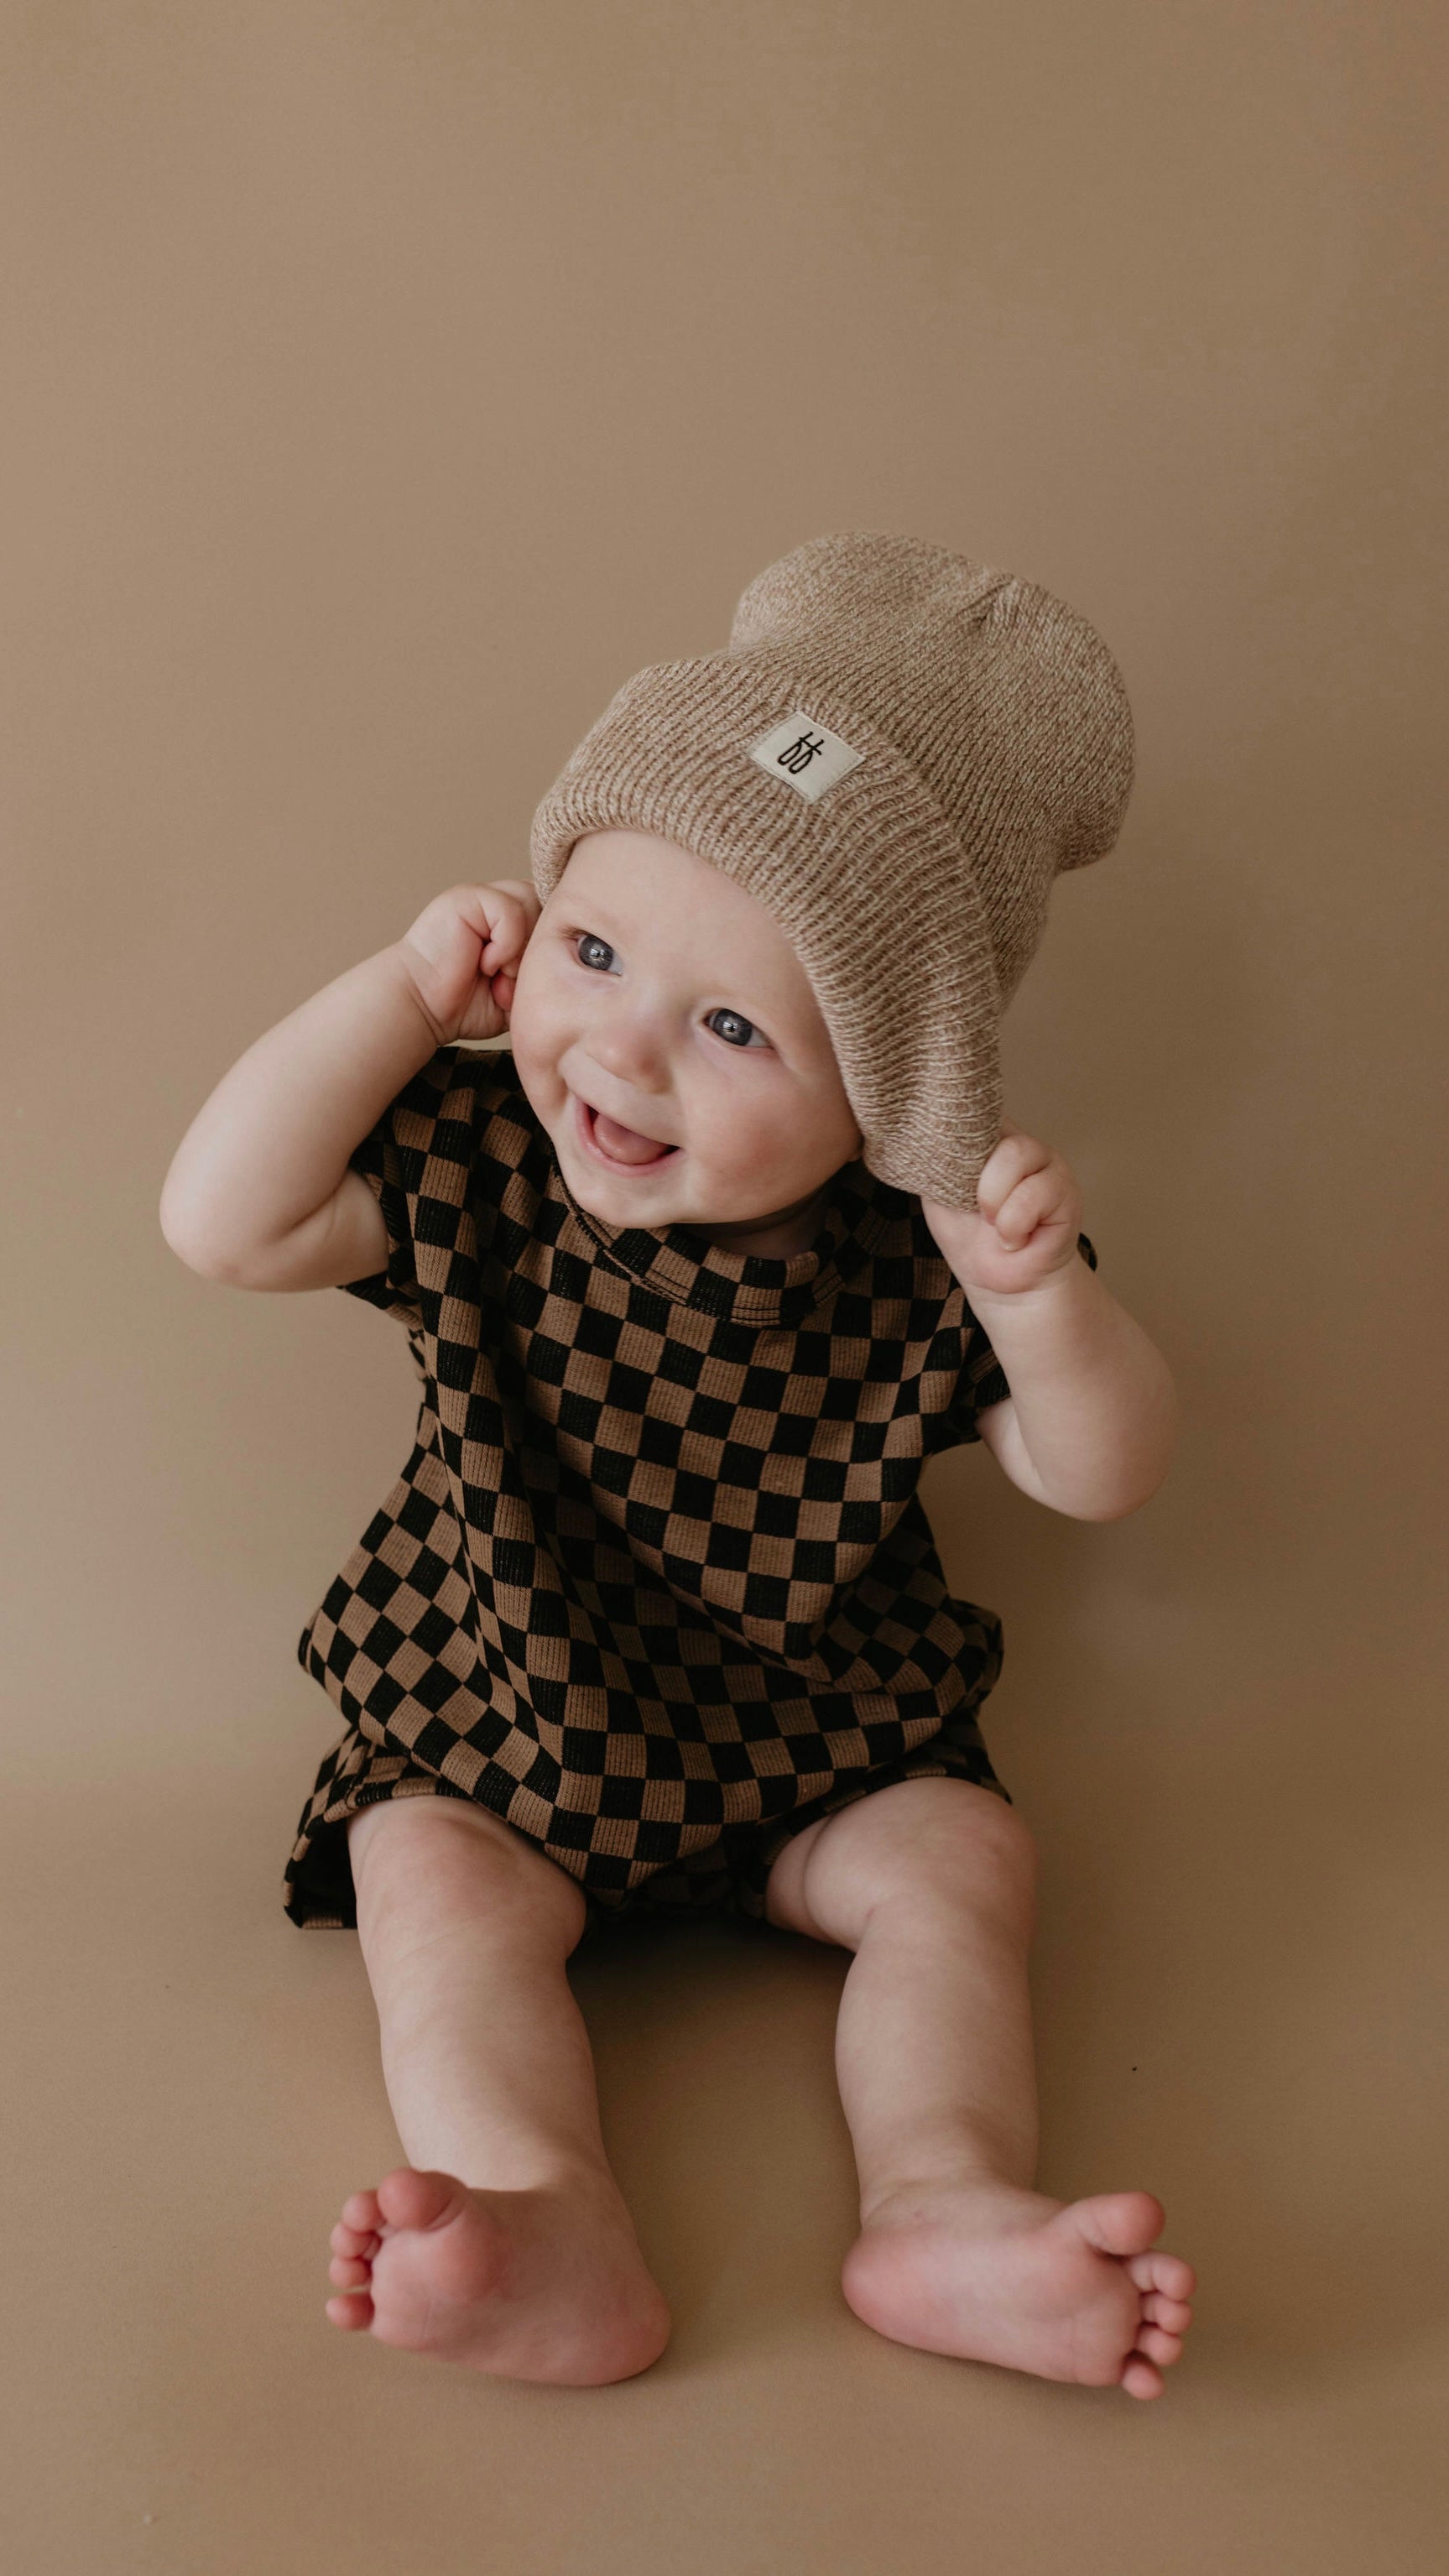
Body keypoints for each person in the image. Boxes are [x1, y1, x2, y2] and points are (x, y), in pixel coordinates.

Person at [160, 532, 1196, 2396]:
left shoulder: (923, 1252)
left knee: (960, 1857)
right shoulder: (477, 1157)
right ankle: (543, 2212)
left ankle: (944, 2198)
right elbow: (220, 1221)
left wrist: (1041, 1299)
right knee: (429, 1884)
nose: (620, 1055)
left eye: (731, 1027)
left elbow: (1098, 1469)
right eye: (592, 951)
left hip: (816, 1741)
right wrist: (401, 995)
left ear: (891, 1091)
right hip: (499, 1716)